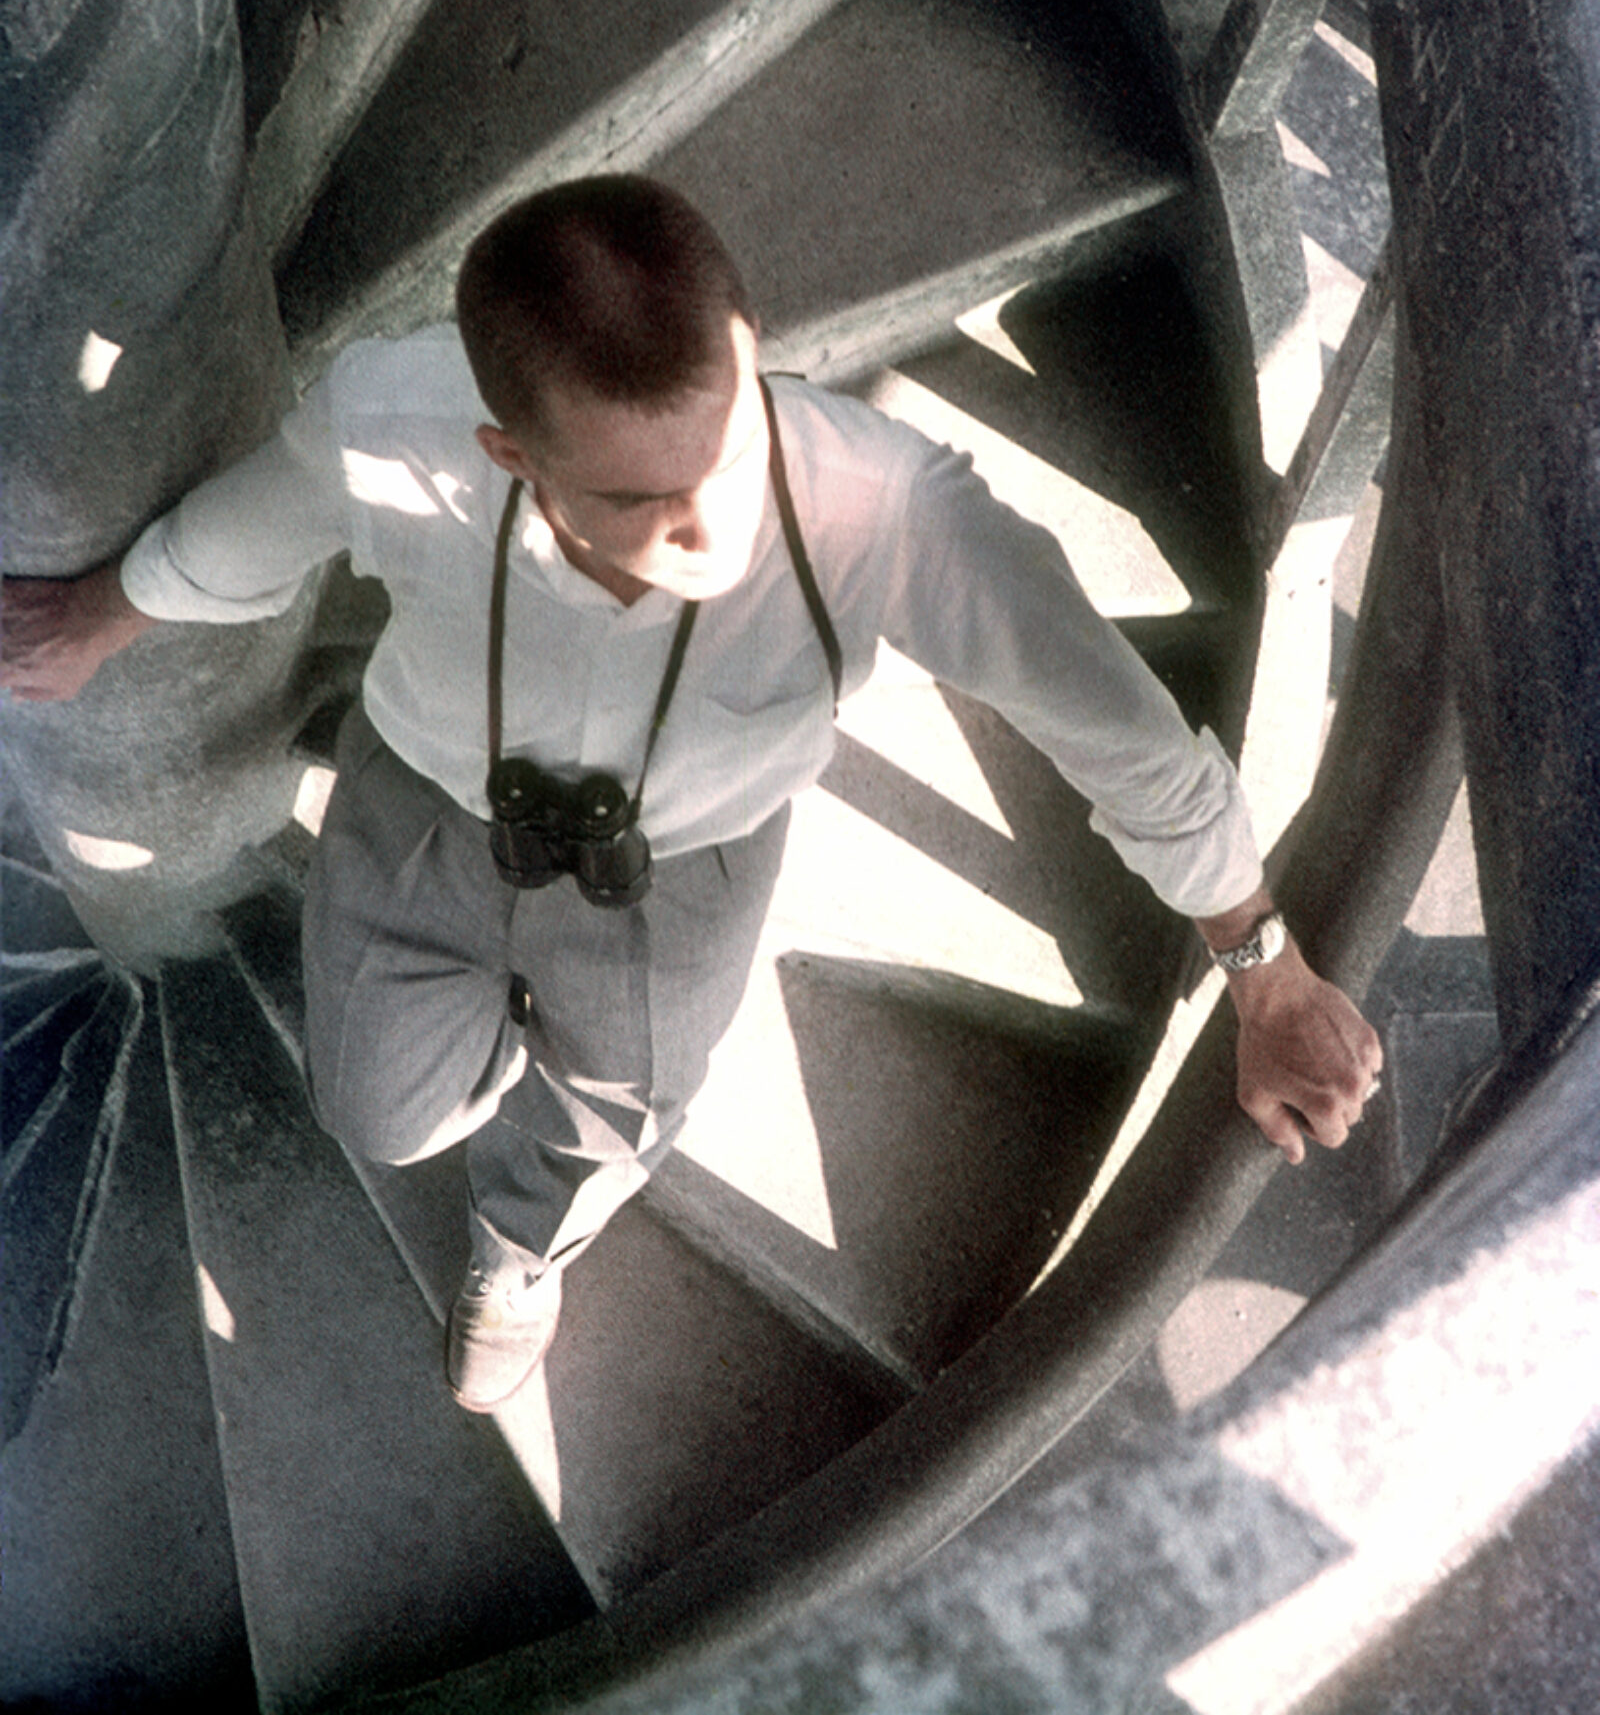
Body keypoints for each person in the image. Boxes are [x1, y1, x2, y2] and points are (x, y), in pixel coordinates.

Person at [1, 176, 1381, 1410]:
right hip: (420, 803)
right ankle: (473, 1071)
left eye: (727, 451)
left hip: (690, 867)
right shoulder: (395, 424)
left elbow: (1114, 724)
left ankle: (520, 1252)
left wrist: (1264, 972)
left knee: (616, 1119)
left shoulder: (880, 506)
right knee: (380, 1112)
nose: (718, 526)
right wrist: (102, 617)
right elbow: (253, 531)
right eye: (645, 500)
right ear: (510, 457)